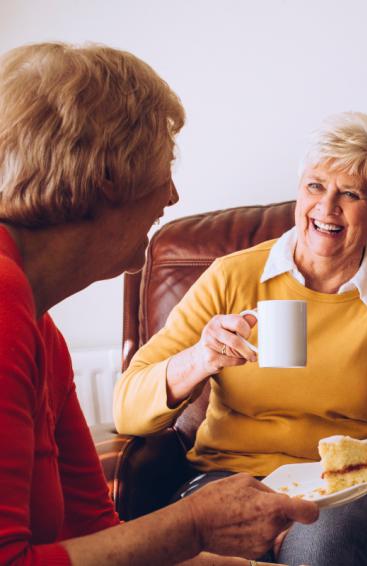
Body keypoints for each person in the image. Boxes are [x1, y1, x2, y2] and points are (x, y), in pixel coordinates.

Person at [0, 42, 318, 566]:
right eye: (162, 167)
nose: (172, 195)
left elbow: (95, 529)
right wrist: (193, 525)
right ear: (107, 173)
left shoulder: (39, 326)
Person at [113, 111, 367, 566]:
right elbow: (127, 407)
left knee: (317, 547)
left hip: (357, 489)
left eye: (349, 194)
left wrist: (319, 489)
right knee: (199, 543)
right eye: (315, 187)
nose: (327, 209)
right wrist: (199, 360)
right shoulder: (232, 276)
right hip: (231, 476)